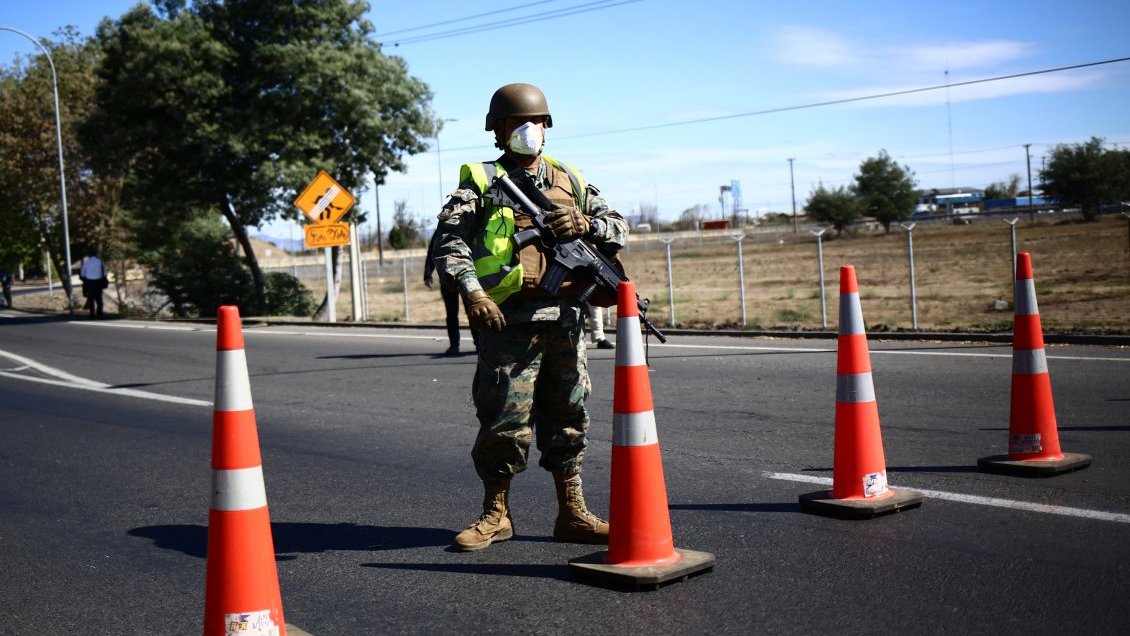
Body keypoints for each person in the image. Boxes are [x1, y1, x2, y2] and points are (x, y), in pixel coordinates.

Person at [432, 82, 629, 551]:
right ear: (498, 132)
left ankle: (573, 512)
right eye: (517, 124)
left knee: (569, 415)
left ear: (547, 127)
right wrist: (475, 293)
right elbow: (448, 242)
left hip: (565, 319)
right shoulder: (481, 182)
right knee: (503, 419)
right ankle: (495, 514)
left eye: (536, 122)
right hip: (508, 322)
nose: (529, 130)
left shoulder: (572, 181)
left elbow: (619, 224)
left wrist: (589, 224)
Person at [424, 230, 477, 356]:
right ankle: (454, 345)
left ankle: (479, 343)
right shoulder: (442, 230)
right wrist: (427, 274)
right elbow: (433, 251)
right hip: (447, 277)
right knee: (452, 313)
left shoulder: (468, 225)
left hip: (467, 277)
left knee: (472, 311)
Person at [79, 247, 107, 319]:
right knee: (99, 299)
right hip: (99, 282)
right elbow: (105, 272)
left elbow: (83, 274)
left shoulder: (86, 263)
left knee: (91, 299)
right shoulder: (100, 261)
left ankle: (92, 314)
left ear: (89, 255)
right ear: (96, 254)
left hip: (89, 282)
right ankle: (99, 313)